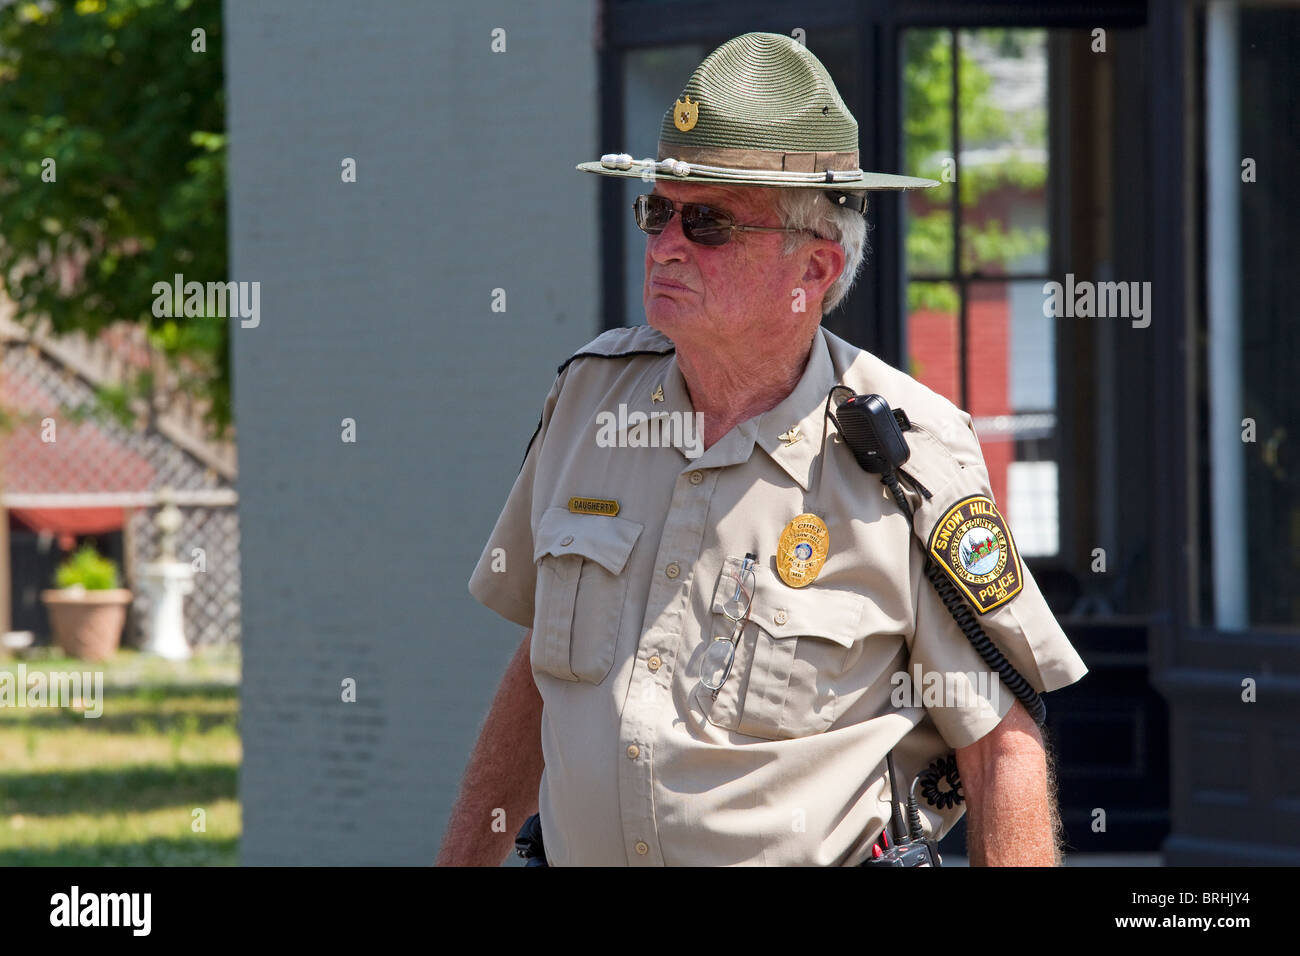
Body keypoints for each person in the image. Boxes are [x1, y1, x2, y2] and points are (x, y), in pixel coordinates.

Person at [437, 31, 1087, 867]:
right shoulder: (589, 400)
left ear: (812, 270)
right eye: (656, 210)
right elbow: (541, 676)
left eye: (706, 222)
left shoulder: (912, 454)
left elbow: (1000, 749)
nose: (666, 242)